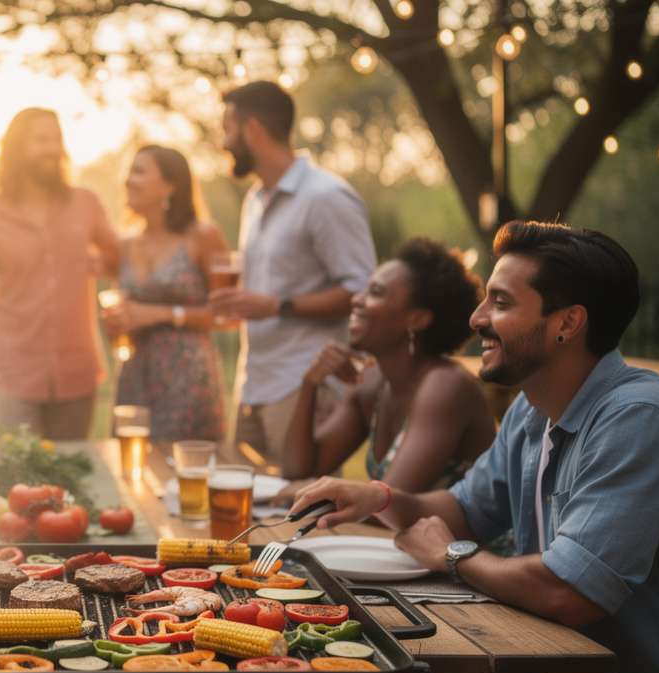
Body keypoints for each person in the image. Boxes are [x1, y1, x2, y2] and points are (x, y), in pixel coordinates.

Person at [289, 220, 659, 673]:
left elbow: (570, 591)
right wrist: (379, 496)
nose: (477, 320)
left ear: (567, 323)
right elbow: (464, 509)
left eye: (499, 303)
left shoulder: (639, 419)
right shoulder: (531, 408)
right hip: (545, 668)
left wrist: (454, 556)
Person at [208, 80, 376, 465]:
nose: (223, 142)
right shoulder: (255, 200)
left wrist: (275, 304)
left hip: (302, 387)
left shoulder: (328, 198)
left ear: (252, 130)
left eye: (227, 129)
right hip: (252, 386)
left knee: (297, 513)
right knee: (243, 510)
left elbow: (363, 291)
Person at [276, 237, 495, 501]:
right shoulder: (371, 384)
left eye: (375, 292)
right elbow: (298, 472)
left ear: (417, 318)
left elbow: (386, 502)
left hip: (468, 543)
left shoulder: (447, 386)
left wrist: (317, 490)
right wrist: (310, 382)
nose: (356, 300)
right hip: (397, 541)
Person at [0, 107, 118, 439]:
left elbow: (121, 258)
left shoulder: (86, 201)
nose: (52, 148)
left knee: (71, 476)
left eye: (56, 139)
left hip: (76, 370)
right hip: (13, 373)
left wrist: (98, 265)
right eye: (41, 140)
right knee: (17, 473)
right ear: (16, 149)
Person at [101, 145, 228, 441]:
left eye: (139, 171)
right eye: (129, 171)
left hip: (188, 378)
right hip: (135, 375)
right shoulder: (125, 244)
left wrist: (159, 314)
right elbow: (125, 315)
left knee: (182, 471)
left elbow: (229, 314)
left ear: (170, 185)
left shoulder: (203, 235)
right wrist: (115, 324)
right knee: (131, 468)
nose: (128, 180)